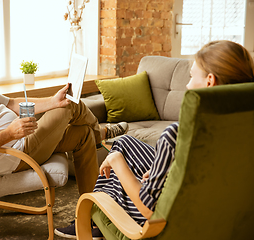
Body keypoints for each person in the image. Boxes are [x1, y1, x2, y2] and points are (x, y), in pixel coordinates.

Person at [54, 40, 254, 239]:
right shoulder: (240, 128)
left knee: (114, 168)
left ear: (210, 81)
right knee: (124, 142)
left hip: (162, 223)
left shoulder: (177, 135)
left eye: (192, 76)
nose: (187, 84)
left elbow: (149, 209)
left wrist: (116, 162)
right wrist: (166, 171)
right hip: (216, 208)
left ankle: (95, 218)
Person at [0, 36, 129, 196]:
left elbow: (13, 104)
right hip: (16, 156)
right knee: (70, 106)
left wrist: (53, 101)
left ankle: (91, 212)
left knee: (82, 133)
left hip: (26, 140)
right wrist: (8, 134)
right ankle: (102, 133)